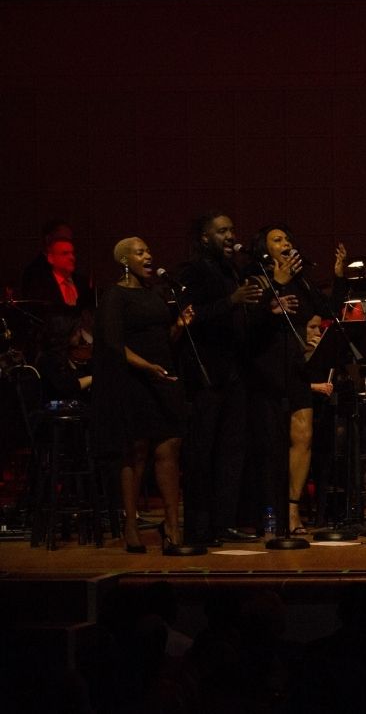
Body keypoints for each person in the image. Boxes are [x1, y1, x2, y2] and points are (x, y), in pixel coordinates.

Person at [93, 237, 205, 555]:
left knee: (169, 447)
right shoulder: (115, 295)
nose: (149, 255)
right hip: (133, 381)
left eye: (148, 251)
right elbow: (113, 344)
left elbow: (165, 338)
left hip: (162, 377)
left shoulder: (156, 293)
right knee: (136, 452)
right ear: (125, 260)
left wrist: (180, 326)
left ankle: (172, 525)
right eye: (140, 252)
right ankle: (131, 523)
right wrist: (147, 367)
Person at [243, 223, 348, 536]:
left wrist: (339, 276)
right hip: (266, 368)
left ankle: (292, 510)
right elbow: (251, 324)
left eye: (288, 238)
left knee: (303, 436)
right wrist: (278, 282)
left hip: (297, 368)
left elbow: (327, 308)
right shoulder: (256, 278)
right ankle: (269, 512)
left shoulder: (301, 281)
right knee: (273, 443)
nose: (286, 243)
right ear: (265, 249)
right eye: (277, 240)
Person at [177, 212, 263, 545]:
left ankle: (223, 523)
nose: (230, 235)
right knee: (203, 452)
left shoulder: (232, 269)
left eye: (232, 229)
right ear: (204, 238)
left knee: (232, 451)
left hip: (234, 373)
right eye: (222, 231)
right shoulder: (194, 271)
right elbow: (191, 316)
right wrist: (231, 301)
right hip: (206, 374)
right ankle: (199, 527)